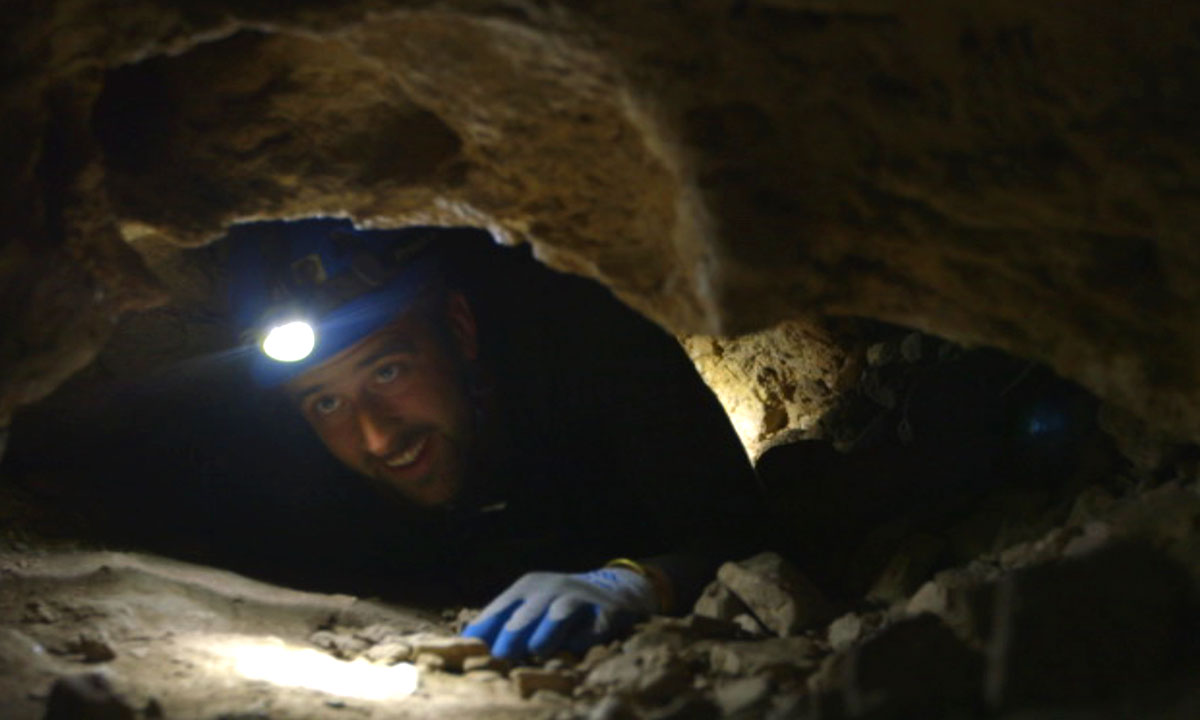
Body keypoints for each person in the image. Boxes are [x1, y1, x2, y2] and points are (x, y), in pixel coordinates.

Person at [228, 218, 764, 662]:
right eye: (326, 402)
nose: (377, 436)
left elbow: (744, 531)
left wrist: (642, 581)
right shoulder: (282, 464)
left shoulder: (589, 349)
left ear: (458, 327)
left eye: (389, 372)